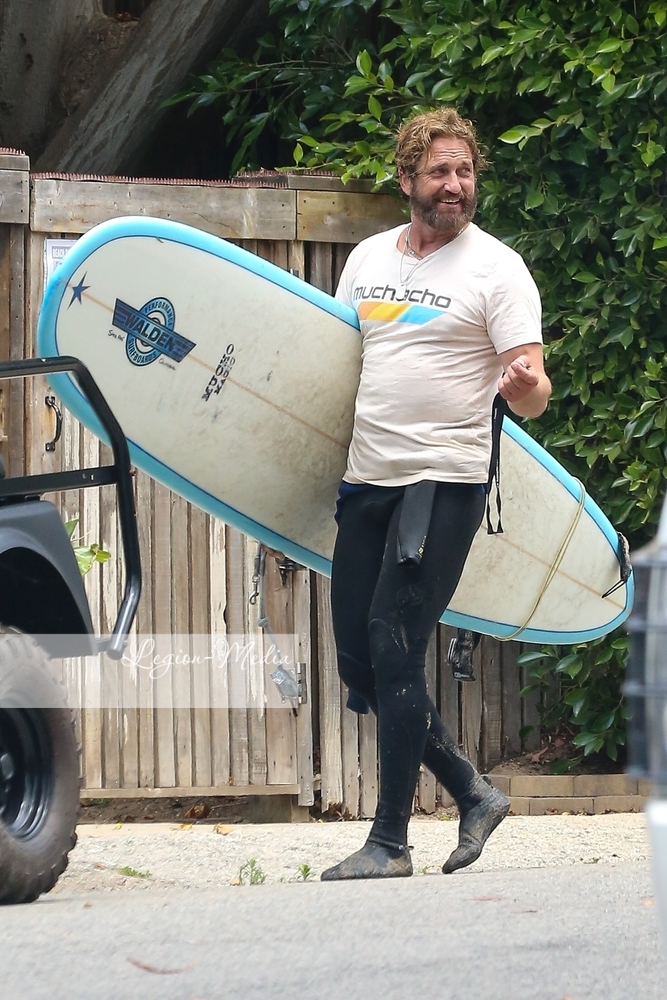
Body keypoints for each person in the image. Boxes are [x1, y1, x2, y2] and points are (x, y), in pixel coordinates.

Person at [321, 108, 552, 881]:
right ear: (406, 179)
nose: (454, 185)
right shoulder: (365, 260)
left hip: (444, 477)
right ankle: (471, 791)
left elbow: (535, 390)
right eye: (439, 171)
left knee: (394, 641)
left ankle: (389, 842)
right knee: (359, 662)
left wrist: (522, 387)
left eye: (465, 171)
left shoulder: (496, 270)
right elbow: (333, 362)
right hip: (367, 476)